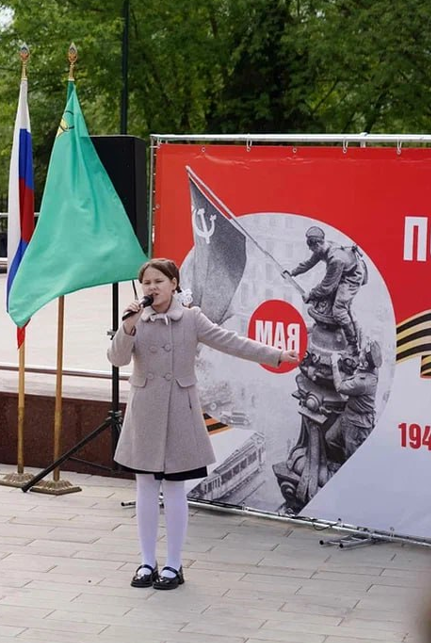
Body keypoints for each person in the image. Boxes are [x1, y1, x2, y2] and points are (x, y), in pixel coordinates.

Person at [109, 258, 298, 591]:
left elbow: (230, 341)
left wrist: (274, 355)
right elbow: (117, 358)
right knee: (146, 487)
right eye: (146, 283)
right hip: (145, 411)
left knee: (175, 487)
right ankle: (146, 561)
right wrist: (128, 327)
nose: (152, 288)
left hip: (181, 409)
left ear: (174, 284)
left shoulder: (191, 318)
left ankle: (173, 565)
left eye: (158, 281)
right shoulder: (136, 319)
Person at [283, 226, 367, 349]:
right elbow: (309, 263)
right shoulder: (323, 248)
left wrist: (310, 295)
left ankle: (352, 342)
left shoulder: (335, 259)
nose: (311, 251)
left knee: (339, 310)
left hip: (352, 277)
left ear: (317, 244)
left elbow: (327, 287)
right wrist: (292, 272)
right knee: (329, 300)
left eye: (312, 248)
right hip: (343, 272)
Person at [326, 344, 379, 462]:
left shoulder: (363, 383)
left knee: (352, 455)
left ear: (365, 364)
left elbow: (340, 387)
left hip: (356, 425)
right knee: (330, 438)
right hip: (348, 414)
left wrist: (334, 364)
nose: (360, 353)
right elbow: (359, 368)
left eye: (362, 354)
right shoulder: (372, 369)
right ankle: (340, 462)